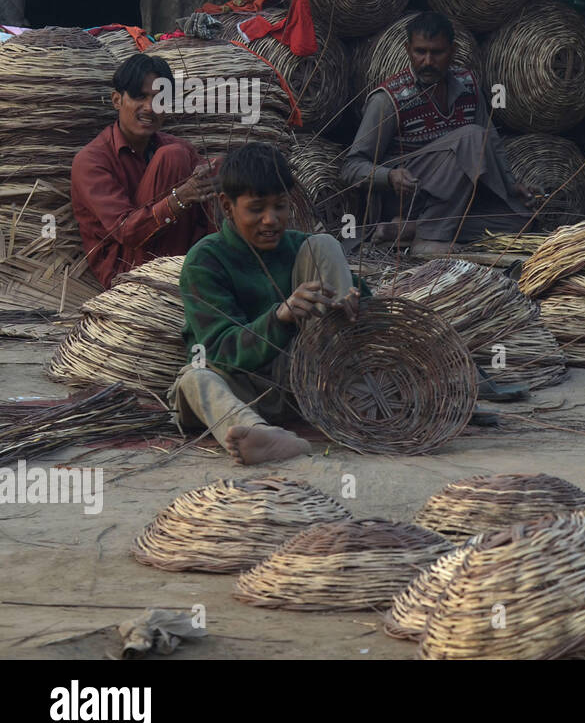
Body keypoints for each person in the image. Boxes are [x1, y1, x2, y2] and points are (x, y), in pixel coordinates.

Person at [171, 142, 364, 466]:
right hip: (242, 389)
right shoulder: (206, 260)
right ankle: (257, 434)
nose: (271, 220)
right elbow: (218, 350)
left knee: (325, 243)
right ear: (227, 205)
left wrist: (355, 309)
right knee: (195, 378)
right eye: (256, 208)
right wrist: (279, 317)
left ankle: (344, 391)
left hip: (307, 381)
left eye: (280, 206)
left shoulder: (303, 247)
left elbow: (358, 294)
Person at [340, 12, 542, 256]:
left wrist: (511, 185)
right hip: (409, 196)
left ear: (453, 51)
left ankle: (409, 230)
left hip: (454, 202)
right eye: (420, 52)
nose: (427, 61)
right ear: (407, 49)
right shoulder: (389, 99)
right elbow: (351, 167)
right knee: (471, 137)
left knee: (522, 219)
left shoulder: (468, 86)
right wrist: (389, 175)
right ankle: (427, 239)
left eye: (437, 53)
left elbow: (491, 142)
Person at [70, 53, 218, 287]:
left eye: (159, 100)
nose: (150, 108)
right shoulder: (91, 161)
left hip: (182, 259)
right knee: (173, 157)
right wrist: (180, 198)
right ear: (117, 100)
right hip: (127, 273)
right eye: (140, 97)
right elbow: (128, 232)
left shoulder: (176, 146)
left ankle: (214, 270)